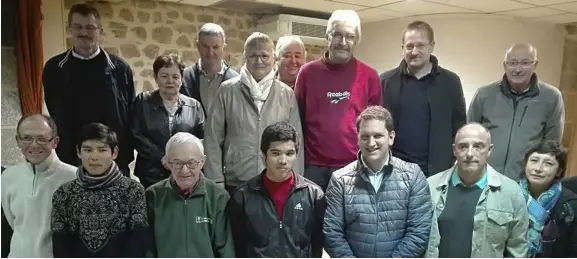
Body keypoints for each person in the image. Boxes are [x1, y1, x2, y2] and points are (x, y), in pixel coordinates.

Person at [324, 106, 432, 258]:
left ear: (391, 137)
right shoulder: (340, 180)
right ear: (358, 137)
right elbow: (332, 233)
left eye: (378, 136)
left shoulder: (413, 176)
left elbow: (419, 231)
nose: (371, 143)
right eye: (365, 136)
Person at [204, 32, 304, 195]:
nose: (259, 61)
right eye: (253, 56)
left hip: (276, 181)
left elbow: (296, 140)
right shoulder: (226, 91)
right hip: (235, 182)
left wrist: (296, 181)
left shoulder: (286, 94)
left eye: (264, 56)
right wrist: (216, 181)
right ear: (245, 57)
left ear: (273, 58)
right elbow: (212, 139)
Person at [294, 9, 382, 192]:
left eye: (349, 36)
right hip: (314, 168)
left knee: (351, 220)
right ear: (327, 36)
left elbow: (376, 126)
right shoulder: (307, 73)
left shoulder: (369, 76)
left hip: (355, 167)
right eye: (337, 35)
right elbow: (297, 120)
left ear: (357, 40)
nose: (343, 42)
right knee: (314, 220)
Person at [43, 3, 135, 176]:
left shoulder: (120, 69)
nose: (84, 33)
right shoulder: (54, 69)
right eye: (78, 27)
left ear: (100, 30)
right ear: (70, 29)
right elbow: (55, 113)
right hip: (71, 162)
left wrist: (122, 155)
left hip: (114, 162)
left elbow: (129, 115)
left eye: (90, 27)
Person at [425, 123, 529, 258]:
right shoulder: (430, 187)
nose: (469, 153)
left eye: (478, 146)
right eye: (463, 146)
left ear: (489, 150)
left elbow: (518, 249)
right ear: (454, 150)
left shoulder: (511, 192)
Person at [467, 43, 565, 180]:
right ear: (504, 65)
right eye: (512, 63)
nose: (518, 69)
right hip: (483, 178)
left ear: (535, 65)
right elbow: (469, 136)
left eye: (525, 63)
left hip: (525, 183)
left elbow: (551, 146)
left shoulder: (552, 97)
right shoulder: (484, 94)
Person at [380, 21, 466, 176]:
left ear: (431, 46)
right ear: (402, 48)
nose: (414, 51)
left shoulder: (450, 82)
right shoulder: (386, 82)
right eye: (409, 46)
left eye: (420, 45)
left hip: (438, 173)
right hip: (394, 173)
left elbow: (459, 125)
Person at [51, 123, 150, 257]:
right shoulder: (64, 193)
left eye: (102, 150)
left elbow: (138, 243)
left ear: (114, 152)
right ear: (78, 152)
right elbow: (60, 246)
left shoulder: (132, 190)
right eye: (88, 150)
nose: (94, 157)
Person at [229, 121, 325, 258]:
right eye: (276, 153)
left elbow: (317, 242)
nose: (283, 160)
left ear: (296, 155)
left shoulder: (314, 195)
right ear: (264, 155)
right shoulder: (242, 196)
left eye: (289, 153)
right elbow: (238, 245)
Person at [145, 132, 234, 257]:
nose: (184, 170)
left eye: (191, 163)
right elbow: (148, 248)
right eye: (177, 163)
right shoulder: (153, 195)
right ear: (167, 163)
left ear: (202, 161)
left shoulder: (218, 197)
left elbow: (225, 249)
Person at [1, 114, 76, 257]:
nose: (34, 145)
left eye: (41, 139)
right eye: (26, 138)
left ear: (55, 142)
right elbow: (13, 222)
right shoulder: (8, 176)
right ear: (17, 141)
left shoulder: (74, 177)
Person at [131, 54, 205, 189]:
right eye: (164, 76)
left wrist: (180, 159)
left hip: (184, 173)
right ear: (155, 78)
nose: (170, 81)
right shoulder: (143, 101)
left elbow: (201, 138)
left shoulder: (194, 106)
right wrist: (163, 157)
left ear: (182, 79)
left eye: (175, 77)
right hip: (151, 173)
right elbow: (136, 134)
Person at [520, 141, 577, 257]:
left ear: (559, 171)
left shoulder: (571, 204)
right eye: (534, 160)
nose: (538, 168)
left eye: (548, 163)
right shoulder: (509, 193)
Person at [180, 23, 239, 115]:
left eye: (215, 47)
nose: (210, 53)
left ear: (224, 47)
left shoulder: (236, 81)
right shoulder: (184, 78)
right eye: (205, 47)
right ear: (197, 46)